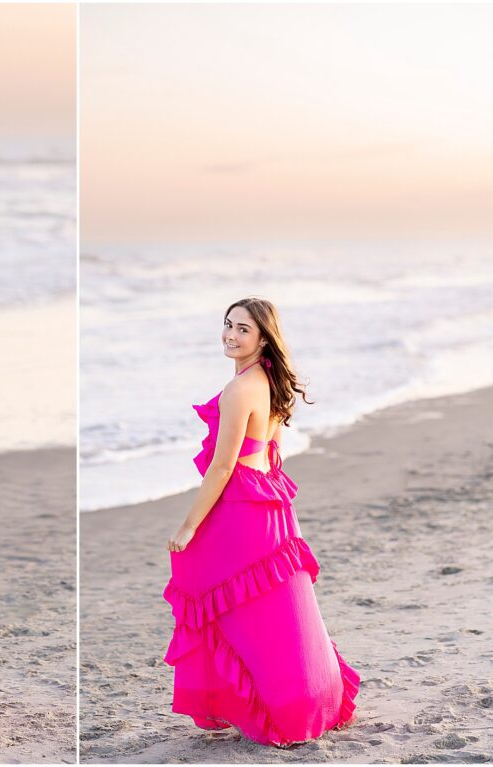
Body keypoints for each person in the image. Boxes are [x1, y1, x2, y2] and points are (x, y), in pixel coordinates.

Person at [164, 297, 359, 747]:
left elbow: (222, 466)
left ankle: (270, 707)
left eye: (243, 329)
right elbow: (271, 452)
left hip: (241, 506)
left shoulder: (239, 389)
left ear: (263, 338)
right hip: (269, 502)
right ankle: (309, 699)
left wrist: (189, 525)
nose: (231, 335)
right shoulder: (268, 379)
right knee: (275, 609)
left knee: (216, 595)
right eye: (228, 324)